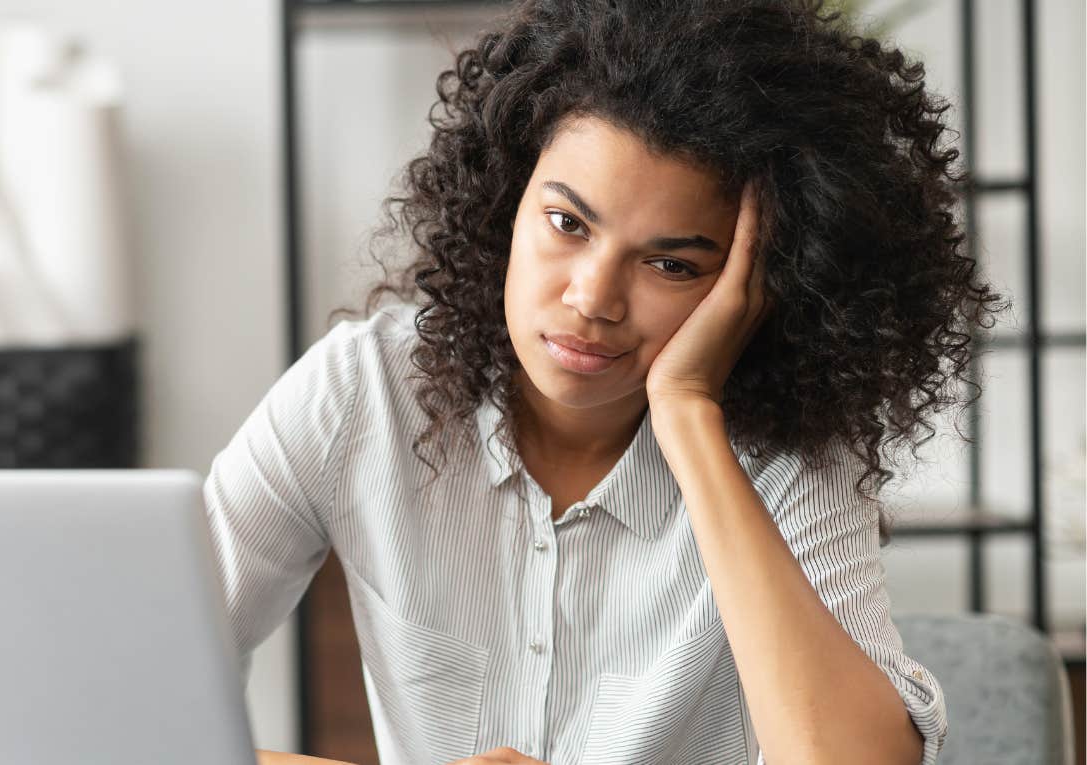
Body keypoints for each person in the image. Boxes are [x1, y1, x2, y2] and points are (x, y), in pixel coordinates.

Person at [214, 1, 1007, 763]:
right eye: (568, 223)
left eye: (671, 263)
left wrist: (690, 416)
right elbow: (117, 689)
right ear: (507, 201)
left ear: (759, 284)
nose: (592, 297)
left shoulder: (789, 456)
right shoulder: (364, 392)